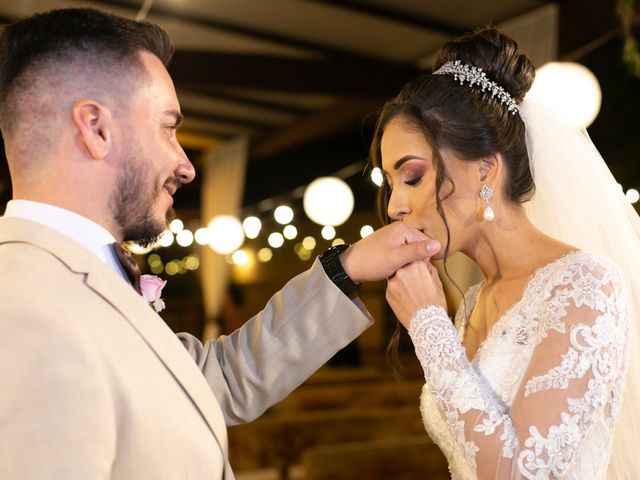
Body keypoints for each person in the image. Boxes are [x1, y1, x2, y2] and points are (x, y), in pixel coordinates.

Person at [0, 8, 440, 479]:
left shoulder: (74, 276)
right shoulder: (23, 316)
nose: (185, 165)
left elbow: (218, 379)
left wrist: (345, 269)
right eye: (168, 127)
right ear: (95, 127)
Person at [376, 27, 640, 479]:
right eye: (390, 182)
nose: (395, 205)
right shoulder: (474, 303)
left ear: (485, 168)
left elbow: (522, 473)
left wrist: (428, 327)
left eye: (413, 176)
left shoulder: (585, 285)